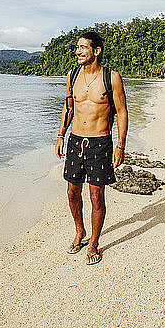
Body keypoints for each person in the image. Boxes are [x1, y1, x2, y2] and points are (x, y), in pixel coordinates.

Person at [55, 31, 128, 265]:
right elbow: (68, 108)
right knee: (72, 192)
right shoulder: (72, 75)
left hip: (100, 143)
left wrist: (121, 145)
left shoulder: (112, 77)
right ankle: (80, 231)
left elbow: (123, 112)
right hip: (75, 141)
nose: (78, 51)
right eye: (77, 47)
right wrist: (60, 136)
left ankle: (94, 242)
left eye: (83, 47)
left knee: (97, 196)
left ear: (96, 51)